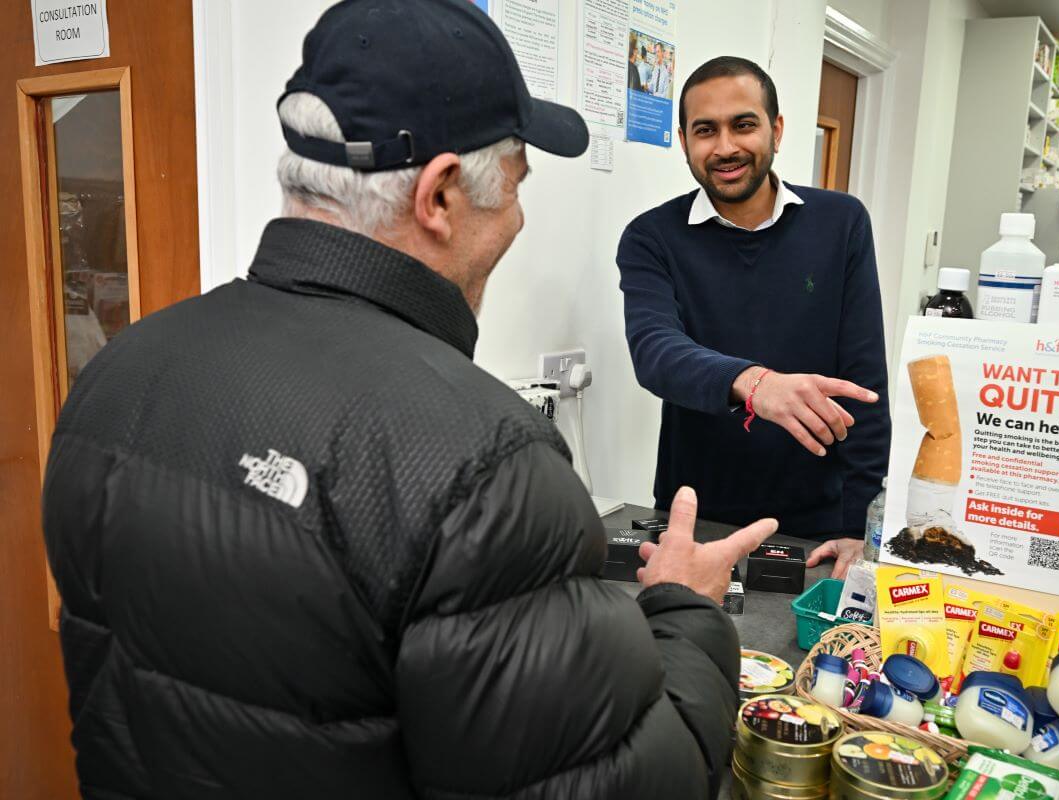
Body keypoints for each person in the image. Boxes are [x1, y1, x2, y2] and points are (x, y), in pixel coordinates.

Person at [41, 2, 778, 798]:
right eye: (518, 187)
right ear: (440, 196)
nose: (520, 219)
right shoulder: (483, 466)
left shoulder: (119, 372)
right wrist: (683, 609)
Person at [616, 56, 891, 578]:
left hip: (818, 527)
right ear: (684, 140)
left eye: (743, 124)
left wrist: (859, 526)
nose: (725, 147)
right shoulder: (652, 237)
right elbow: (655, 351)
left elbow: (863, 382)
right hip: (695, 516)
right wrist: (754, 383)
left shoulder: (841, 223)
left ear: (777, 129)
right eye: (705, 130)